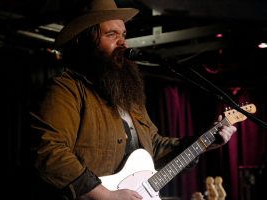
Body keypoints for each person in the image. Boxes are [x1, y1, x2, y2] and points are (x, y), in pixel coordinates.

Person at [29, 0, 237, 199]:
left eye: (123, 34)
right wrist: (105, 195)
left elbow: (154, 147)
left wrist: (206, 142)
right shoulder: (66, 89)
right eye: (112, 34)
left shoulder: (127, 97)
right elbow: (48, 151)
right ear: (85, 42)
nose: (123, 43)